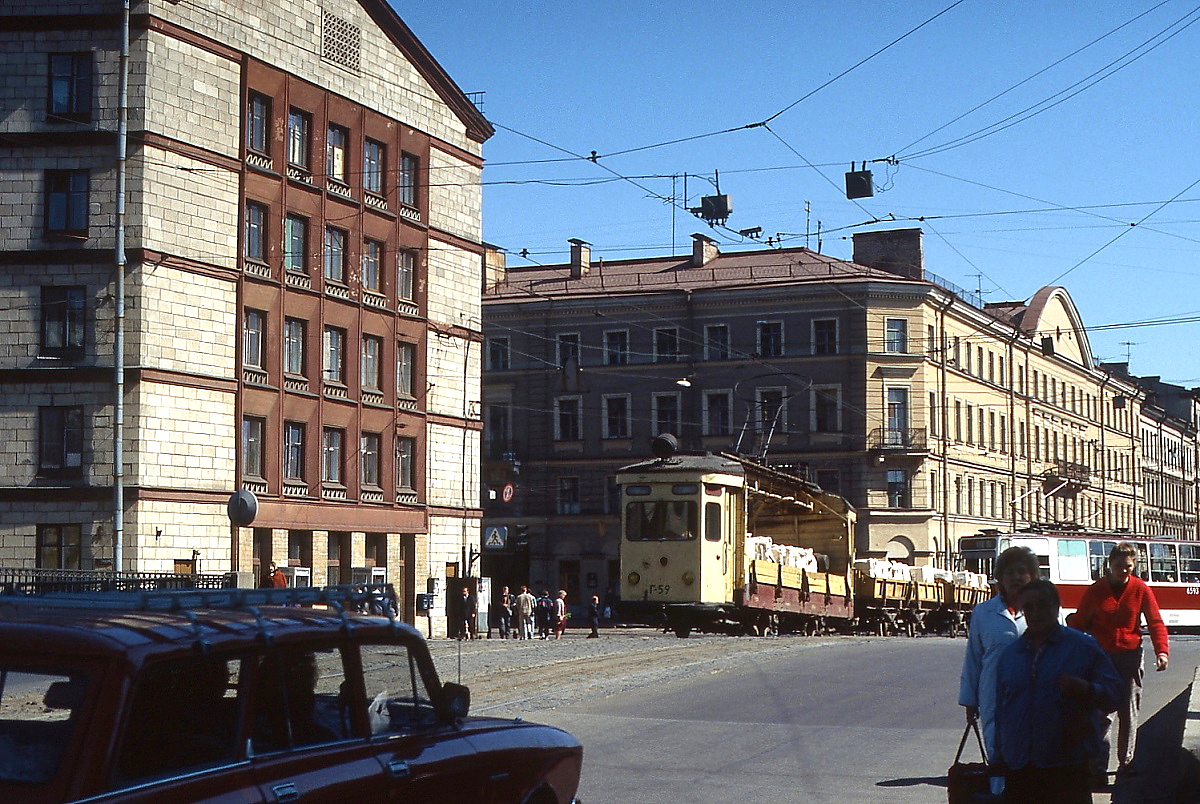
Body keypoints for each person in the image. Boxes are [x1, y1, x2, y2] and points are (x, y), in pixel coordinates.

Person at [993, 580, 1120, 803]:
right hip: (1020, 766)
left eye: (1042, 605)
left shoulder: (1083, 647)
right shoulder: (1010, 656)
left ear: (1056, 606)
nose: (1036, 612)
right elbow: (1001, 711)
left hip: (1066, 766)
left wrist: (1088, 690)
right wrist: (999, 754)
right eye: (1029, 607)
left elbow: (1115, 693)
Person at [1069, 542, 1169, 777]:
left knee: (1128, 709)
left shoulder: (1140, 589)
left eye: (1128, 567)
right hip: (1102, 658)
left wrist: (1161, 651)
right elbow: (1080, 621)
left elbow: (1155, 622)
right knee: (1102, 713)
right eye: (1119, 566)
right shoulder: (1096, 590)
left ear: (1133, 567)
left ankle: (1126, 761)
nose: (1123, 571)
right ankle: (1099, 766)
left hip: (1130, 657)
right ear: (1110, 565)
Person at [958, 545, 1039, 790]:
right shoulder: (984, 612)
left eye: (1022, 572)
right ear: (1000, 579)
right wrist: (970, 701)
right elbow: (974, 658)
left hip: (1034, 695)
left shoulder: (1042, 610)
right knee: (997, 753)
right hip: (994, 695)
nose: (1016, 577)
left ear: (1032, 576)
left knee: (1033, 752)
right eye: (1010, 572)